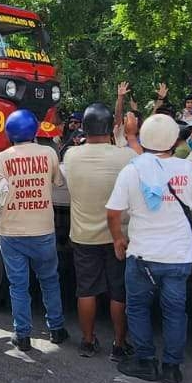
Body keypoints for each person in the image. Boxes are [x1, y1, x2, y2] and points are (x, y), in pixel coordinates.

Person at [106, 113, 192, 383]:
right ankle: (172, 369)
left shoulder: (132, 170)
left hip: (143, 255)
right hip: (179, 255)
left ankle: (145, 361)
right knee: (175, 312)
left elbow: (113, 213)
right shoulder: (188, 169)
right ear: (175, 139)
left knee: (137, 308)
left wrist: (117, 239)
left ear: (144, 138)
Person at [0, 109, 66, 351]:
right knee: (50, 280)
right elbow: (58, 181)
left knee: (18, 285)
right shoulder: (48, 153)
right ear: (34, 131)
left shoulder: (1, 158)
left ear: (9, 133)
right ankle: (57, 329)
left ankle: (22, 335)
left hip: (12, 232)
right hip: (43, 230)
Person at [62, 104, 135, 359]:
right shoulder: (125, 156)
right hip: (118, 237)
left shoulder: (71, 155)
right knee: (119, 291)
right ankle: (119, 344)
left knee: (86, 289)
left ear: (84, 128)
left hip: (83, 236)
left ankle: (87, 341)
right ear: (109, 129)